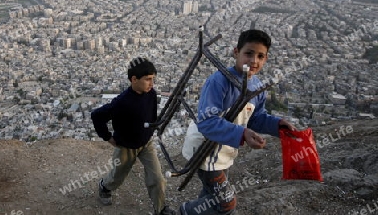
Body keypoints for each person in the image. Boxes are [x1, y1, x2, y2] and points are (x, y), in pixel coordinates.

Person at [180, 29, 296, 215]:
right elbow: (207, 121)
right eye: (248, 53)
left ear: (266, 59)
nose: (254, 61)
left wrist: (277, 125)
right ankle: (184, 212)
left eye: (260, 56)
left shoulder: (257, 86)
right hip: (205, 150)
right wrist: (242, 134)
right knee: (226, 203)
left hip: (225, 151)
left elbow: (256, 118)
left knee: (211, 195)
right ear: (236, 52)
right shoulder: (219, 81)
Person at [91, 57, 176, 215]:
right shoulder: (122, 102)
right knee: (117, 176)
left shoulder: (151, 94)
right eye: (148, 79)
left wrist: (150, 131)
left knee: (157, 178)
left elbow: (151, 116)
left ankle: (161, 209)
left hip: (146, 144)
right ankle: (105, 186)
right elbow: (97, 115)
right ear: (134, 79)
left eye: (153, 79)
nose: (152, 84)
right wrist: (108, 137)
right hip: (126, 146)